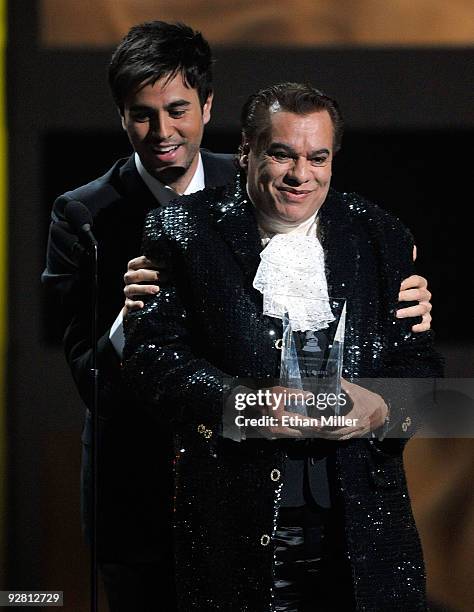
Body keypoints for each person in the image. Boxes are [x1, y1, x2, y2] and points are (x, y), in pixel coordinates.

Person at [41, 20, 432, 610]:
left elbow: (415, 374)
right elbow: (96, 378)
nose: (163, 132)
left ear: (207, 107)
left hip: (301, 490)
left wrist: (403, 310)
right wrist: (132, 318)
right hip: (147, 484)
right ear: (121, 115)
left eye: (177, 110)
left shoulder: (272, 189)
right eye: (142, 114)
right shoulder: (84, 218)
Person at [123, 82, 444, 611]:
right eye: (282, 154)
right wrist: (246, 404)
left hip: (363, 526)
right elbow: (152, 363)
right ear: (246, 151)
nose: (301, 175)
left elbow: (422, 368)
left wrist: (384, 405)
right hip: (237, 521)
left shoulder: (379, 233)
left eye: (318, 158)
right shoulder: (182, 230)